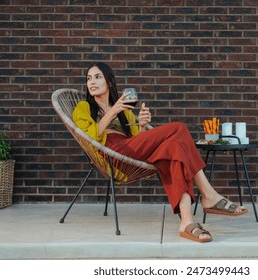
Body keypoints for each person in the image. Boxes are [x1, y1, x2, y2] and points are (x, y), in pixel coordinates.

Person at [73, 62, 248, 243]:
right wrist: (113, 111)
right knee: (179, 128)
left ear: (109, 82)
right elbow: (90, 138)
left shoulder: (124, 113)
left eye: (97, 77)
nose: (92, 82)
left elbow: (137, 141)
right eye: (89, 78)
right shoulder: (83, 107)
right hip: (113, 154)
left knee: (175, 148)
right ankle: (209, 195)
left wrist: (141, 125)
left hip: (130, 149)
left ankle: (187, 222)